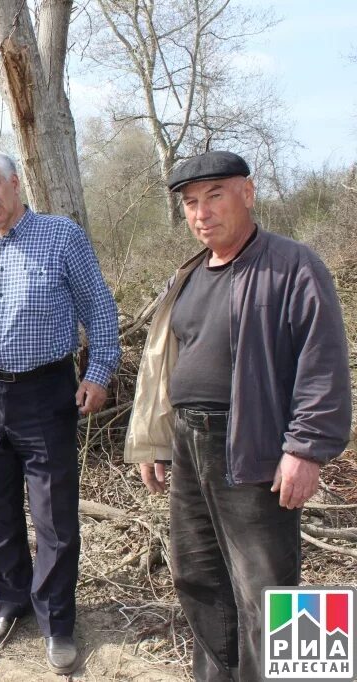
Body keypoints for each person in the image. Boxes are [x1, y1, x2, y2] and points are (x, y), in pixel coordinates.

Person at [124, 151, 352, 682]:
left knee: (270, 589)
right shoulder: (189, 275)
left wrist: (306, 449)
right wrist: (155, 440)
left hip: (254, 443)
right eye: (190, 203)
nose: (201, 213)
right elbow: (165, 365)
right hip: (188, 442)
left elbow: (323, 361)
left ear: (247, 194)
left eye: (215, 196)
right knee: (199, 578)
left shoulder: (293, 264)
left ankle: (296, 675)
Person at [0, 150, 120, 673]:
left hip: (45, 394)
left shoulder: (62, 237)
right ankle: (9, 602)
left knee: (54, 514)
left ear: (15, 183)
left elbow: (100, 311)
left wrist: (98, 373)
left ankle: (57, 620)